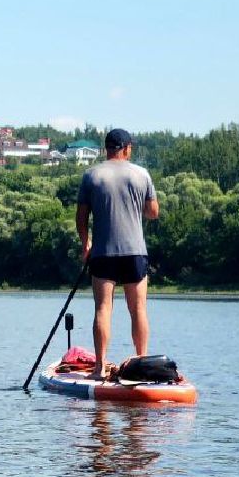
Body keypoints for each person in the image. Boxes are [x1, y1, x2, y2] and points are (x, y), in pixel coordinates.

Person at [76, 129, 159, 380]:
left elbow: (81, 218)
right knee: (139, 309)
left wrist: (86, 244)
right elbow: (153, 211)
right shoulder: (142, 174)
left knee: (103, 309)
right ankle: (142, 363)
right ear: (127, 148)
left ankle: (99, 368)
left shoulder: (91, 175)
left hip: (103, 252)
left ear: (107, 149)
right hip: (135, 252)